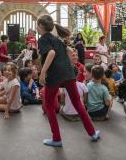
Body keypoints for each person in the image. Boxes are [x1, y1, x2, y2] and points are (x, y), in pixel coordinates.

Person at [37, 14, 100, 147]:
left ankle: (56, 139)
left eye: (38, 25)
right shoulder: (56, 38)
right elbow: (70, 50)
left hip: (55, 75)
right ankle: (92, 133)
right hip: (69, 73)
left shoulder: (43, 39)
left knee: (48, 105)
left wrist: (42, 72)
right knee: (78, 103)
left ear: (41, 26)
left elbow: (51, 53)